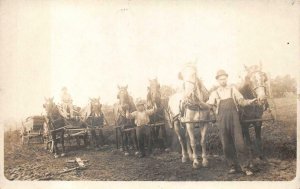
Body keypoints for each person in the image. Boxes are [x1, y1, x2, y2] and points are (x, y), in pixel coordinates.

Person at [206, 69, 257, 176]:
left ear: (227, 79)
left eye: (224, 79)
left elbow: (241, 102)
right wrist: (200, 103)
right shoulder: (214, 93)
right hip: (222, 121)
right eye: (221, 79)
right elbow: (209, 105)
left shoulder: (233, 90)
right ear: (217, 80)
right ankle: (232, 166)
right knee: (226, 145)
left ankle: (245, 167)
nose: (223, 81)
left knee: (240, 143)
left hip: (234, 120)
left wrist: (249, 101)